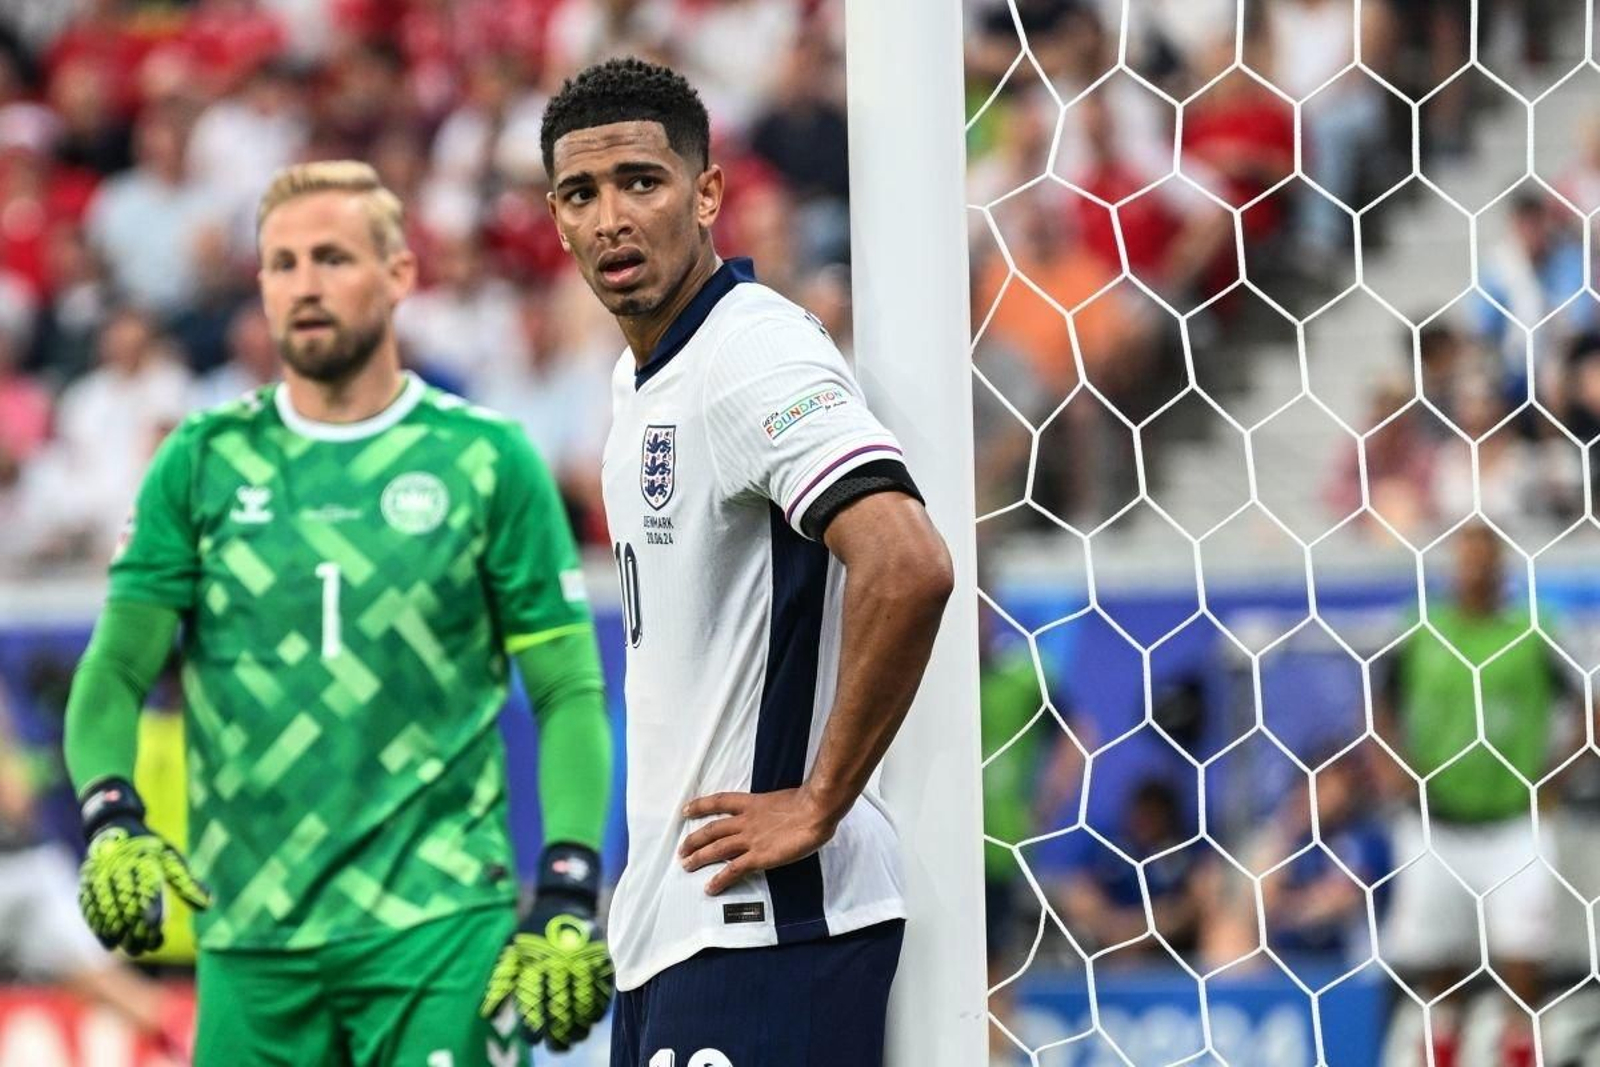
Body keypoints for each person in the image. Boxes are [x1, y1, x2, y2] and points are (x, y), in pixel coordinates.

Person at [62, 160, 615, 1066]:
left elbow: (567, 693)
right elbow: (116, 670)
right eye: (280, 264)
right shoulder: (200, 462)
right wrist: (111, 814)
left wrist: (566, 886)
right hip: (249, 936)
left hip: (436, 927)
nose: (304, 285)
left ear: (398, 276)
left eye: (331, 257)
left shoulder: (485, 460)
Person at [541, 58, 955, 1067]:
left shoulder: (750, 353)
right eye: (580, 193)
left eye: (642, 181)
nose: (610, 218)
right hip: (673, 931)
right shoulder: (639, 379)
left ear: (709, 193)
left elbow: (908, 562)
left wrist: (818, 799)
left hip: (766, 930)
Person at [1378, 523, 1571, 1067]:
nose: (1477, 569)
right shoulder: (1421, 631)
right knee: (1439, 971)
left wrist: (1556, 777)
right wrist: (1393, 767)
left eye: (1487, 558)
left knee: (1524, 963)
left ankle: (1518, 1054)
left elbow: (1587, 706)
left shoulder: (1533, 632)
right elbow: (1379, 706)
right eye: (1467, 557)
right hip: (1435, 825)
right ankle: (1443, 1052)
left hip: (1516, 825)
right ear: (1452, 567)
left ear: (1504, 568)